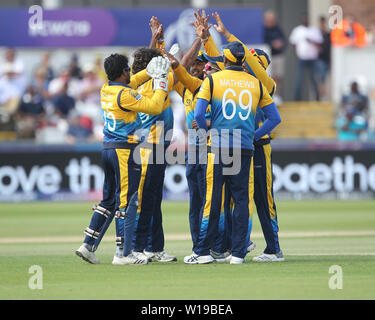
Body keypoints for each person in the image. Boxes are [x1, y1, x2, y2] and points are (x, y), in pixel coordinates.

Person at [188, 41, 281, 264]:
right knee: (242, 200)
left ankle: (202, 252)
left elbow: (198, 115)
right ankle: (238, 254)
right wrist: (253, 136)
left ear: (226, 59)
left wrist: (207, 130)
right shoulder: (255, 84)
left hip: (218, 146)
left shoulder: (212, 79)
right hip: (245, 147)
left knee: (213, 198)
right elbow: (275, 118)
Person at [75, 53, 171, 265]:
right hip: (124, 152)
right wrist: (161, 81)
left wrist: (149, 71)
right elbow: (155, 106)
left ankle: (88, 245)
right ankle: (123, 253)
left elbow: (134, 81)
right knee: (127, 202)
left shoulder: (106, 88)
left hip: (108, 149)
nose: (130, 72)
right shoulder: (125, 96)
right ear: (122, 72)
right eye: (128, 69)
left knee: (108, 200)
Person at [206, 11, 284, 262]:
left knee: (263, 198)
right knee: (235, 198)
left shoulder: (265, 84)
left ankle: (273, 248)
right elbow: (219, 61)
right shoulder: (240, 82)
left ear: (260, 66)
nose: (248, 64)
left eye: (253, 62)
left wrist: (228, 34)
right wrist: (206, 37)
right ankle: (236, 244)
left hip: (258, 146)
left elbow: (242, 57)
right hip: (243, 146)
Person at [129, 46, 177, 263]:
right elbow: (176, 68)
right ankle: (138, 248)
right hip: (150, 148)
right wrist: (167, 55)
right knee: (147, 200)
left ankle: (155, 248)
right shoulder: (154, 86)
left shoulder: (140, 82)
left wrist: (160, 44)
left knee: (154, 200)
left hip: (157, 148)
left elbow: (158, 65)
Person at [289, 14, 323, 101]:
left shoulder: (314, 30)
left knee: (314, 79)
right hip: (302, 58)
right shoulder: (297, 30)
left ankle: (318, 98)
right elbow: (293, 44)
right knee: (299, 79)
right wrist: (297, 54)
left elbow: (320, 44)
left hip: (313, 58)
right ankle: (297, 98)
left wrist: (311, 41)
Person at [264, 10, 286, 99]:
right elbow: (263, 42)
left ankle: (276, 95)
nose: (271, 21)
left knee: (278, 76)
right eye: (269, 20)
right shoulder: (263, 30)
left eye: (272, 19)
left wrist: (280, 44)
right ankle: (269, 95)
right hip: (268, 57)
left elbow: (285, 41)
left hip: (278, 56)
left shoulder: (278, 29)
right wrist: (272, 44)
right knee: (269, 77)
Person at [316, 16, 331, 100]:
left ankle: (323, 95)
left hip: (327, 59)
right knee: (321, 78)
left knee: (325, 78)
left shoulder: (328, 34)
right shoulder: (316, 34)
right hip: (320, 59)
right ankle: (322, 96)